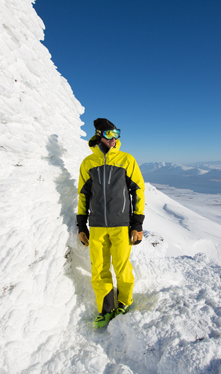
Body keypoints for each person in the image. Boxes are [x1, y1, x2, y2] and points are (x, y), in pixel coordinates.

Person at [76, 118, 145, 329]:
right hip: (97, 226)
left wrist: (138, 223)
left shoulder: (126, 160)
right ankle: (105, 310)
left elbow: (138, 191)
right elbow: (83, 195)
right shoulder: (88, 163)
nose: (114, 138)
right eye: (109, 134)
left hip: (121, 224)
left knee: (122, 267)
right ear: (99, 135)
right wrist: (81, 225)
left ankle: (124, 302)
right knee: (99, 269)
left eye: (116, 133)